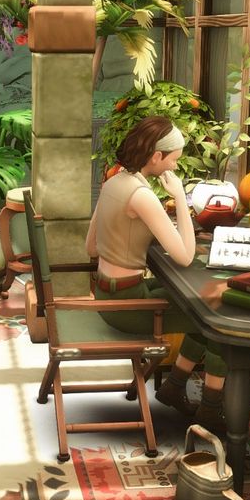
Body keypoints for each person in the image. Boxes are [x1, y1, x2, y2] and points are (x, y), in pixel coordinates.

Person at [86, 116, 227, 433]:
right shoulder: (142, 196)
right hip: (128, 307)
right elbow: (185, 256)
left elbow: (91, 246)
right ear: (156, 157)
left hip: (106, 295)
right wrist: (179, 197)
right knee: (215, 318)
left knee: (198, 303)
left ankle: (174, 387)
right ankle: (210, 410)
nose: (174, 168)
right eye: (174, 160)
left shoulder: (113, 183)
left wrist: (129, 237)